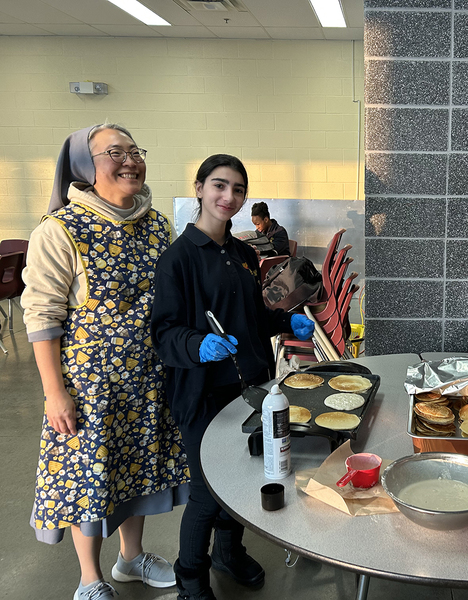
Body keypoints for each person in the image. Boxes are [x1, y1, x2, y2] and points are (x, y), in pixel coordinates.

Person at [22, 124, 190, 600]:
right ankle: (89, 580)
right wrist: (54, 392)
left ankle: (130, 559)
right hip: (89, 387)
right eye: (115, 152)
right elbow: (42, 316)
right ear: (84, 166)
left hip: (148, 379)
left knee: (135, 470)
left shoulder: (156, 224)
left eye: (135, 151)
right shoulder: (60, 230)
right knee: (90, 479)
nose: (130, 160)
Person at [150, 154, 315, 600]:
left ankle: (228, 552)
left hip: (250, 388)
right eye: (219, 185)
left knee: (242, 478)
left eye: (238, 189)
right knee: (206, 493)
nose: (229, 196)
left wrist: (286, 322)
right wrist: (197, 344)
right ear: (199, 188)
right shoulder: (178, 259)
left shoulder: (243, 253)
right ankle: (190, 580)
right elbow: (164, 333)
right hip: (202, 393)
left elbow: (253, 317)